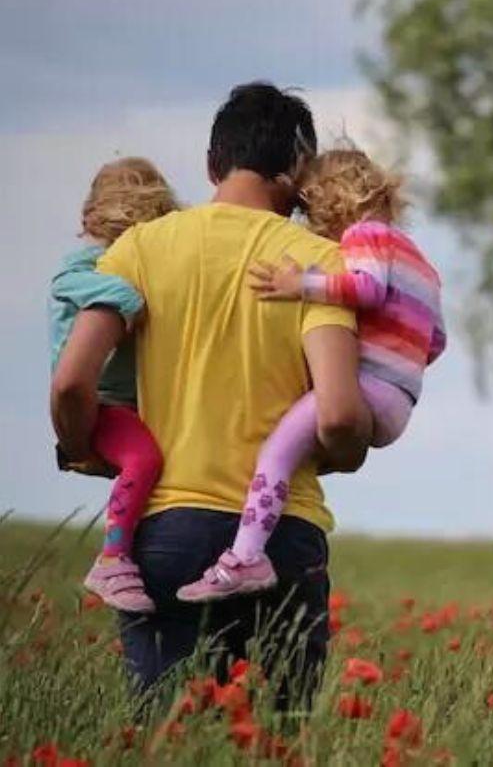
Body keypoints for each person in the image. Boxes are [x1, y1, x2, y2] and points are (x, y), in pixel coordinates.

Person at [50, 83, 371, 704]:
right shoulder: (319, 263)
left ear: (211, 164)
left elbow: (70, 381)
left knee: (167, 739)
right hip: (283, 538)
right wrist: (349, 450)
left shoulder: (138, 249)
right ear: (299, 171)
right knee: (276, 742)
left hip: (166, 531)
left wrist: (83, 446)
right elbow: (336, 415)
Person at [178, 148, 446, 602]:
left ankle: (245, 557)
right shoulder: (422, 263)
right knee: (300, 446)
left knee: (276, 452)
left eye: (309, 208)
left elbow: (366, 288)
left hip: (369, 389)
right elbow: (435, 340)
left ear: (331, 200)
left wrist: (300, 284)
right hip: (400, 400)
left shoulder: (365, 234)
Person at [49, 157, 177, 613]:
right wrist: (130, 298)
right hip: (101, 403)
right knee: (144, 458)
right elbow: (77, 286)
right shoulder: (84, 266)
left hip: (129, 401)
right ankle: (112, 557)